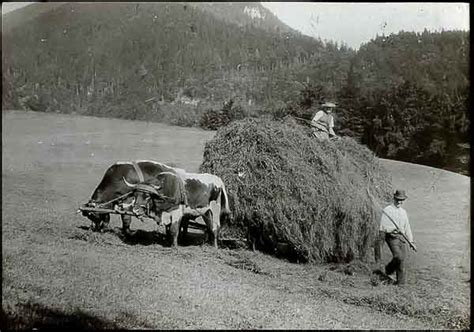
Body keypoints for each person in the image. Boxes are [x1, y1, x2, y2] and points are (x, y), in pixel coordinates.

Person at [375, 189, 416, 285]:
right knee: (398, 257)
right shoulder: (387, 210)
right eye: (398, 199)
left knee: (402, 262)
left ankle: (401, 284)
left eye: (401, 200)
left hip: (401, 238)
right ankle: (388, 270)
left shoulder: (403, 212)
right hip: (391, 237)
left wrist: (411, 241)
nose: (399, 202)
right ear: (394, 198)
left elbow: (407, 227)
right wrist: (393, 229)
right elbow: (383, 227)